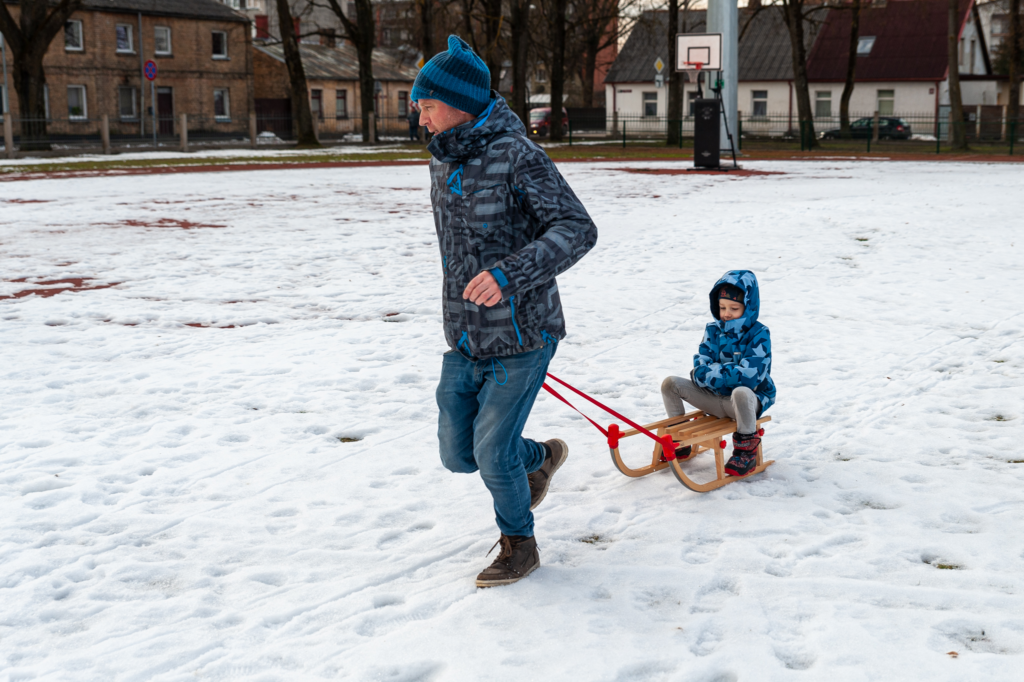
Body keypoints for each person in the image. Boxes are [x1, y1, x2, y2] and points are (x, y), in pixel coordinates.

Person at [411, 35, 597, 588]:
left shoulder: (520, 156)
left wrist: (508, 275)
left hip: (524, 332)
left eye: (426, 106)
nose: (420, 119)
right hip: (465, 337)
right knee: (459, 454)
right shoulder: (442, 162)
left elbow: (577, 229)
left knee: (492, 453)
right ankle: (538, 457)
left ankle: (520, 544)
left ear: (460, 102)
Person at [660, 270, 776, 476]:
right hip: (714, 399)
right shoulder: (713, 330)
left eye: (734, 308)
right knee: (670, 384)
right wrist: (719, 374)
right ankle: (680, 439)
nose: (726, 313)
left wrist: (713, 374)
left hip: (745, 403)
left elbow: (750, 377)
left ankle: (746, 448)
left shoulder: (759, 334)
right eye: (722, 307)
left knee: (740, 391)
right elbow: (698, 367)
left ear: (748, 307)